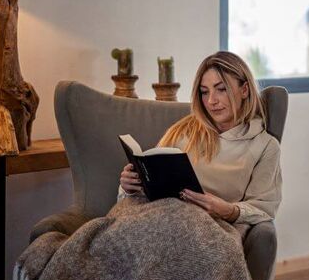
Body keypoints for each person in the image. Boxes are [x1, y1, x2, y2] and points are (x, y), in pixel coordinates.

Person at [118, 51, 281, 231]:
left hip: (211, 229)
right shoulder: (182, 130)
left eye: (221, 89)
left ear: (244, 90)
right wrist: (128, 187)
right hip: (159, 218)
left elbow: (264, 208)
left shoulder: (265, 146)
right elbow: (147, 192)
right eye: (204, 92)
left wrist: (228, 210)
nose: (211, 100)